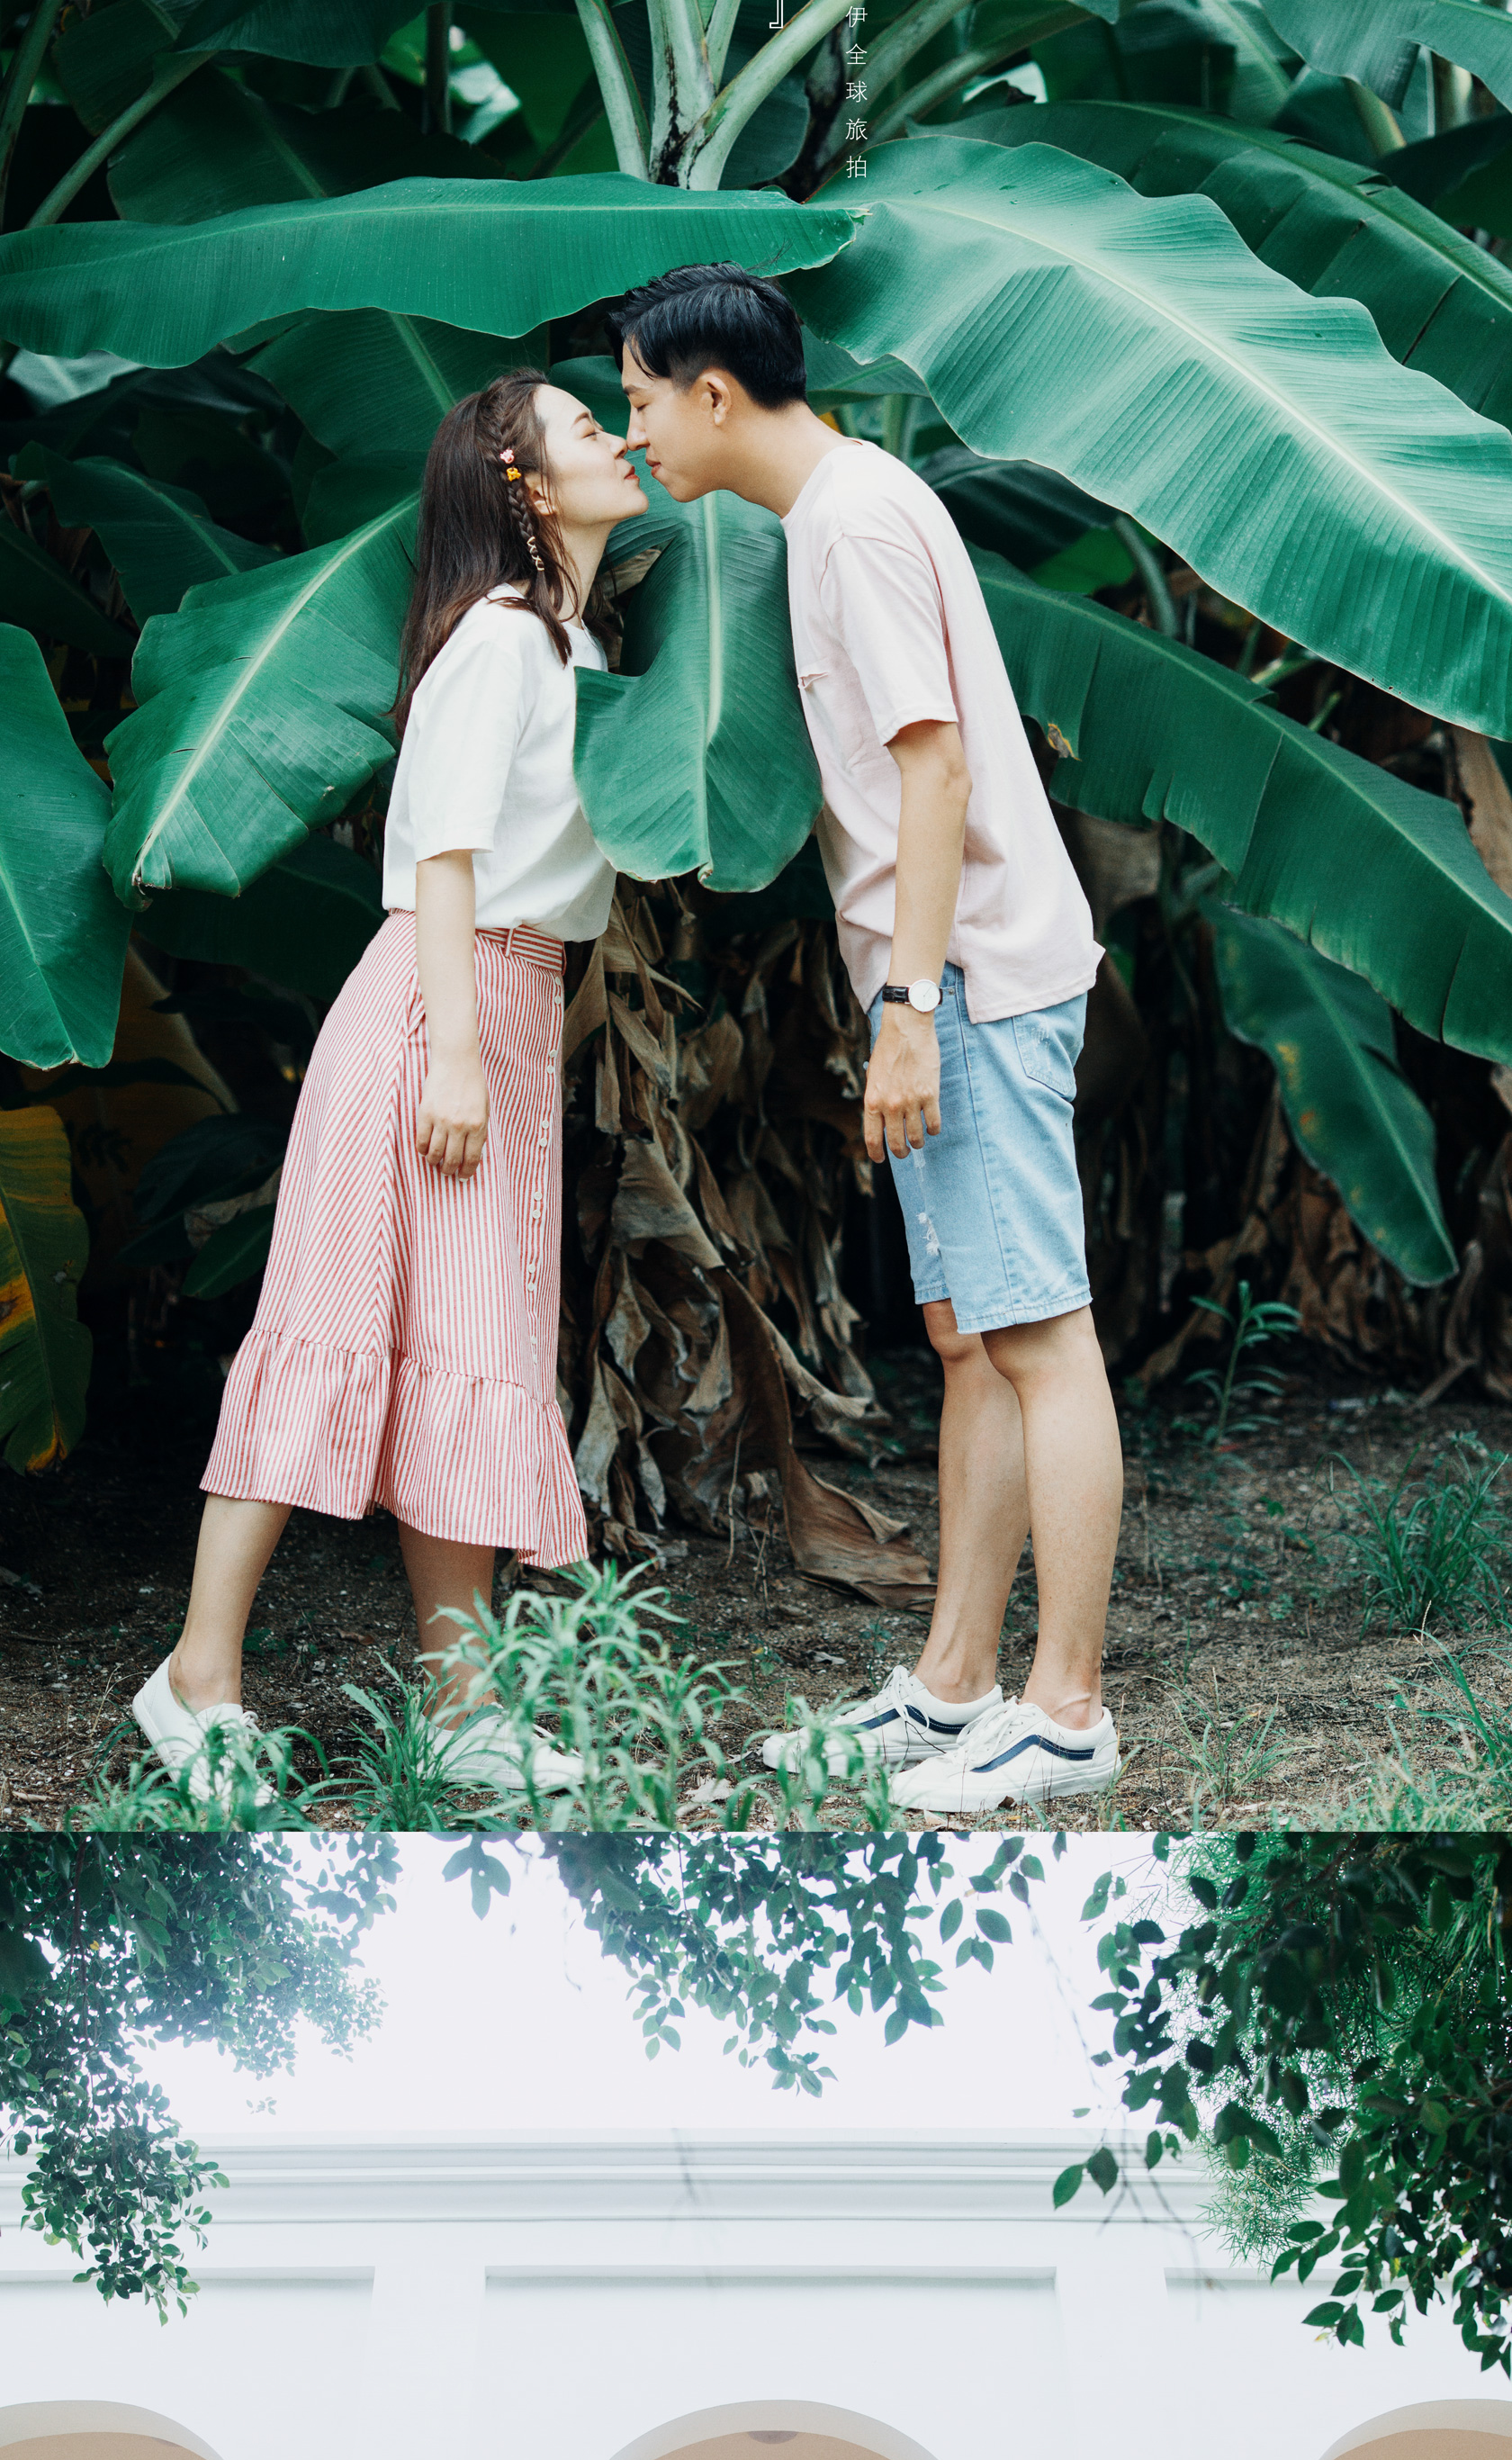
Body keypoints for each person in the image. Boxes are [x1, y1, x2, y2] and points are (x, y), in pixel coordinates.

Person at [616, 266, 1121, 1827]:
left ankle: (1068, 1712)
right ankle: (956, 1681)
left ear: (712, 392)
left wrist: (909, 1008)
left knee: (1041, 1338)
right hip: (952, 974)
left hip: (973, 978)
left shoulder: (850, 524)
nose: (634, 434)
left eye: (640, 400)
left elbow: (935, 768)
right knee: (974, 1339)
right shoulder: (839, 510)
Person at [131, 377, 648, 1807]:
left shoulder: (579, 646)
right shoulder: (501, 639)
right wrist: (463, 1053)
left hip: (508, 1001)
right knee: (331, 1326)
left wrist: (517, 1037)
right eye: (585, 427)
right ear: (520, 481)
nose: (619, 435)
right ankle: (196, 1678)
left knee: (472, 1352)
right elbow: (442, 856)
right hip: (442, 1004)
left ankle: (464, 1708)